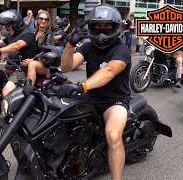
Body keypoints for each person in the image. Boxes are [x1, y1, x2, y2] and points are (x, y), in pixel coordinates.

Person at [59, 4, 131, 180]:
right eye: (98, 26)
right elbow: (66, 66)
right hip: (91, 97)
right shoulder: (88, 47)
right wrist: (70, 43)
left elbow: (109, 71)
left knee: (113, 136)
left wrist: (81, 86)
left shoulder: (121, 50)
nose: (102, 31)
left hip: (114, 101)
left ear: (116, 27)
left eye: (107, 27)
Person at [0, 9, 37, 97]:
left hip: (20, 71)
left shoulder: (28, 35)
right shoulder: (12, 35)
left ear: (15, 24)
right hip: (9, 69)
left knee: (6, 92)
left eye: (8, 25)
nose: (6, 27)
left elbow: (17, 45)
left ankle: (11, 110)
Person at [23, 10, 54, 86]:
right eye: (41, 18)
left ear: (48, 21)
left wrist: (33, 59)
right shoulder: (34, 32)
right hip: (36, 60)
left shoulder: (49, 34)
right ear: (37, 19)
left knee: (32, 65)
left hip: (45, 64)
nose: (43, 21)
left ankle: (29, 90)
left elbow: (46, 50)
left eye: (46, 19)